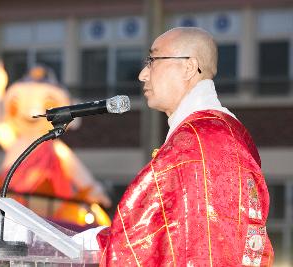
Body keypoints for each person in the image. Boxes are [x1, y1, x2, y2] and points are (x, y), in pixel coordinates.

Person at [73, 27, 274, 266]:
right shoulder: (223, 131)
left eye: (153, 60)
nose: (142, 75)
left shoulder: (198, 141)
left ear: (188, 67)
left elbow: (143, 243)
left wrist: (78, 243)